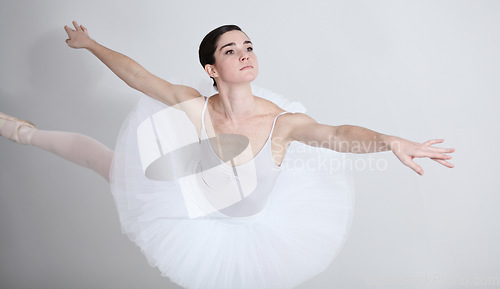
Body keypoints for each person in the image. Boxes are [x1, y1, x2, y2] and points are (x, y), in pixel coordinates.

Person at [0, 21, 454, 289]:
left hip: (255, 223)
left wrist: (391, 140)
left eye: (249, 46)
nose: (245, 54)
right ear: (212, 70)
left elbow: (336, 132)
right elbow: (139, 77)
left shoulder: (282, 123)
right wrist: (92, 45)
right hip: (187, 200)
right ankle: (21, 132)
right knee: (108, 162)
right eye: (231, 50)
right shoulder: (193, 103)